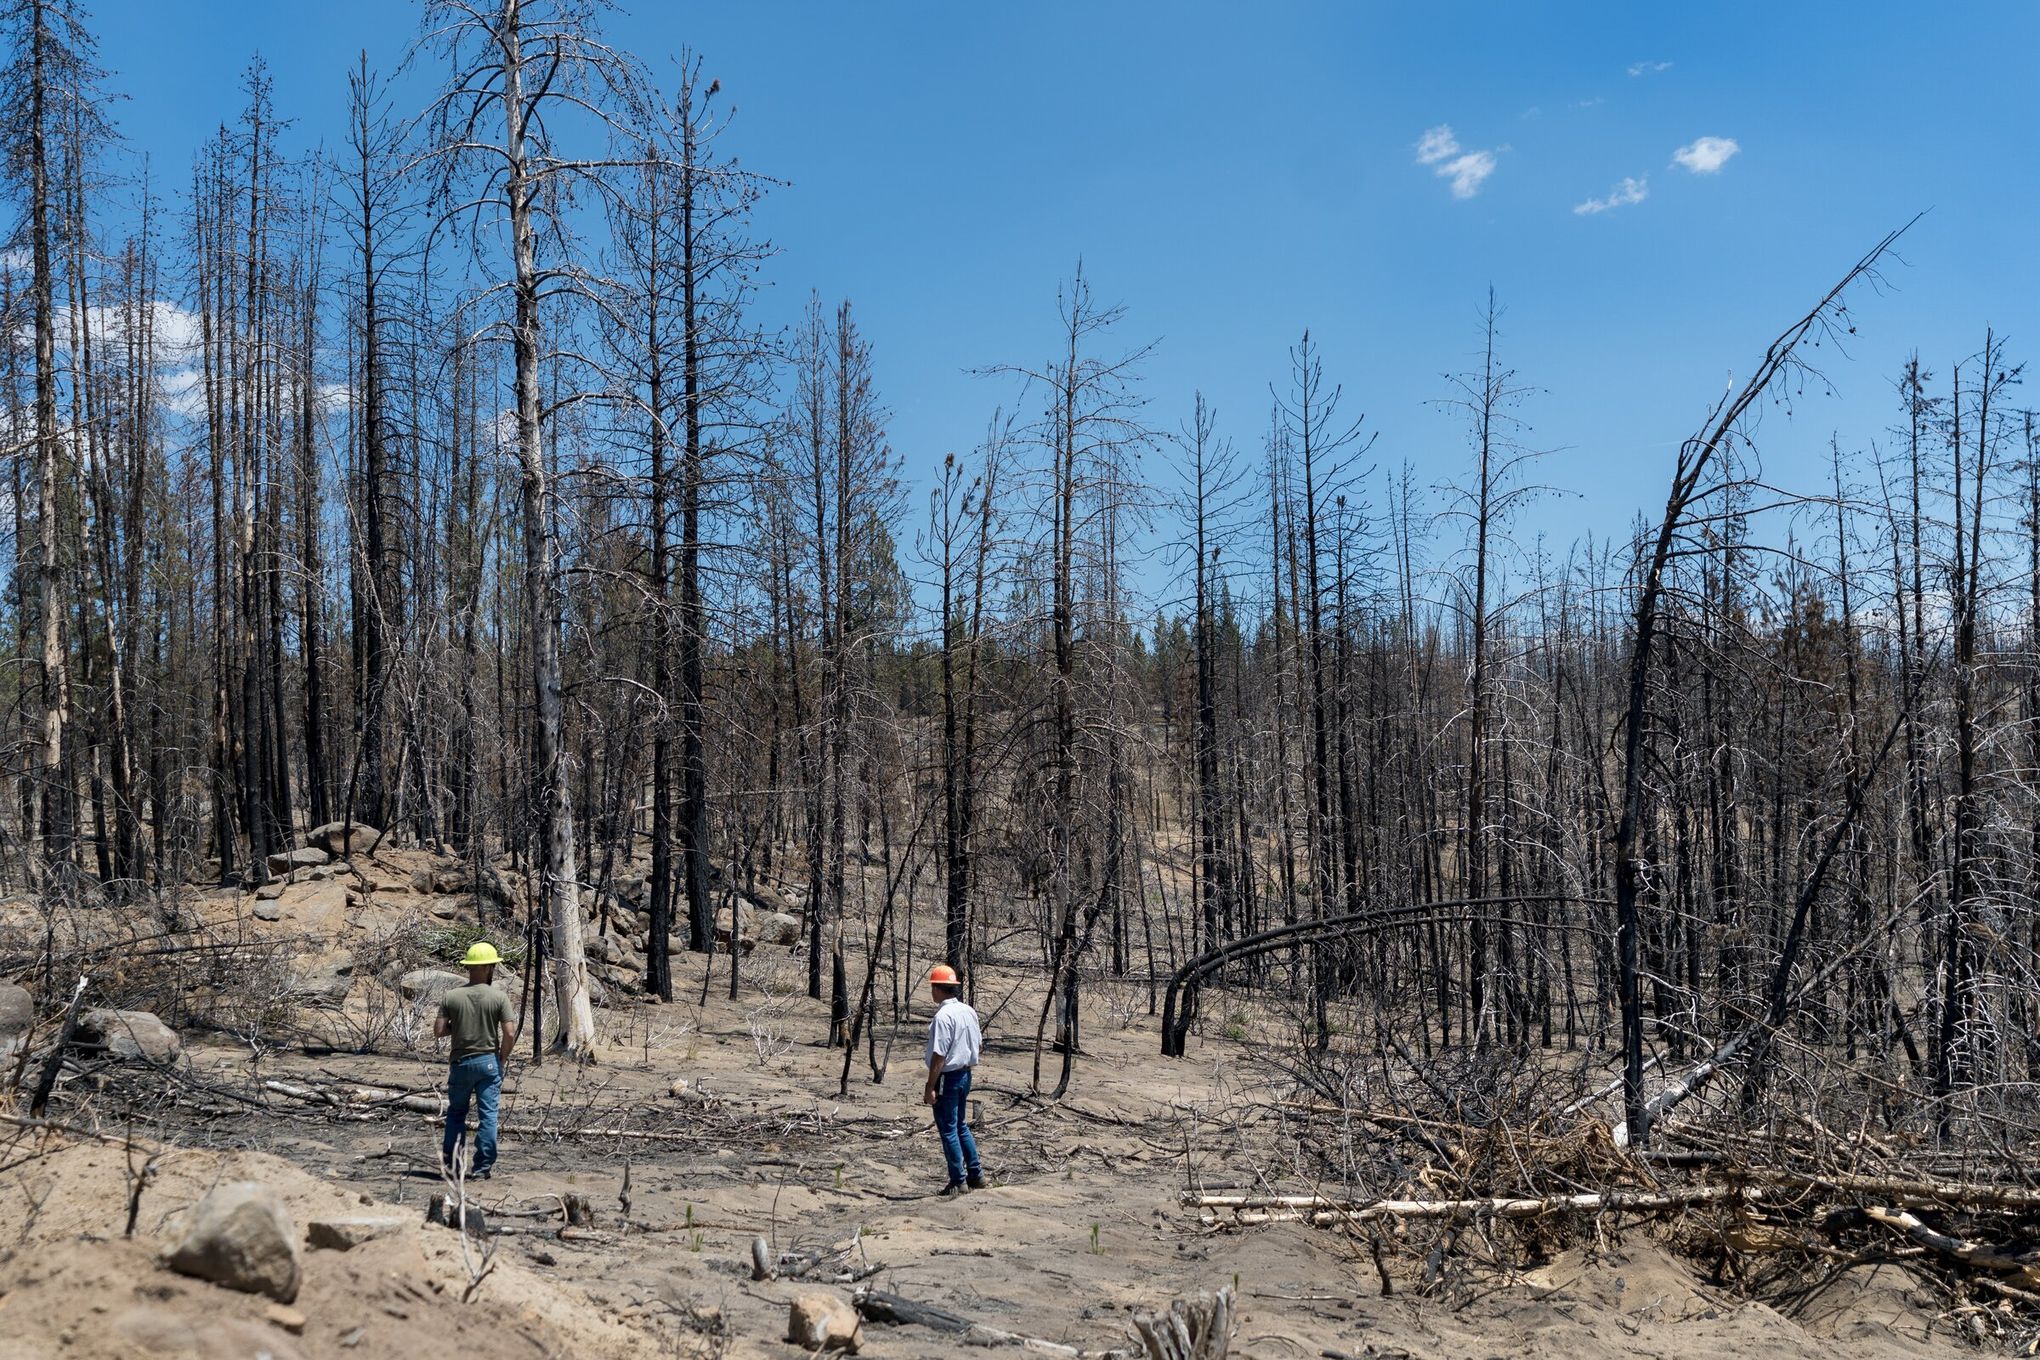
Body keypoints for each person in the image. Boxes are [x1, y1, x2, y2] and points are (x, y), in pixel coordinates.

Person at [435, 941, 517, 1181]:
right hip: (489, 1063)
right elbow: (510, 1033)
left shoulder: (452, 996)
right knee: (488, 1116)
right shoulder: (499, 997)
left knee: (456, 1114)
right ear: (489, 967)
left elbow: (439, 1031)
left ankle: (453, 1166)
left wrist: (459, 1027)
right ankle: (482, 1168)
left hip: (460, 1063)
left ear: (469, 967)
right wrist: (502, 1058)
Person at [923, 963, 985, 1197]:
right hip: (965, 1074)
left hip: (948, 1077)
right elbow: (979, 1045)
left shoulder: (943, 1017)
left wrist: (930, 1086)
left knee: (948, 1129)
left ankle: (958, 1181)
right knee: (960, 1126)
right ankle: (976, 1175)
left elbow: (939, 1055)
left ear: (938, 989)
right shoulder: (968, 1011)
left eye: (932, 988)